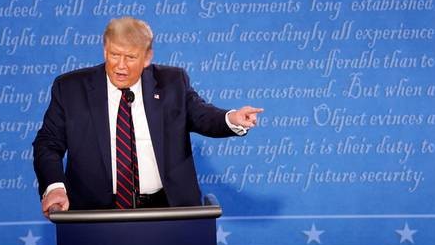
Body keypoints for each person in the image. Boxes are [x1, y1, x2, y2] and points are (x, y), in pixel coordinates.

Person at [33, 17, 263, 214]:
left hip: (166, 208)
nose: (120, 66)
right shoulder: (71, 89)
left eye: (131, 57)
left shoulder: (172, 83)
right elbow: (48, 143)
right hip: (94, 212)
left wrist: (231, 119)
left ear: (147, 57)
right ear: (105, 49)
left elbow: (202, 115)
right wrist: (55, 187)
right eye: (114, 54)